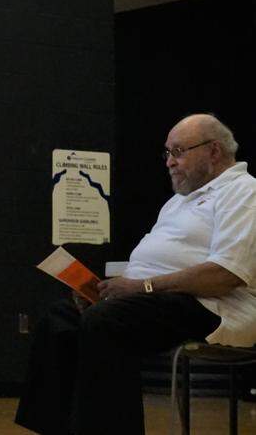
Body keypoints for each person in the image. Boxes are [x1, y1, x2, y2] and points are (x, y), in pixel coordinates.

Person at [15, 113, 256, 435]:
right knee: (60, 318)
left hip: (213, 305)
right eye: (167, 153)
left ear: (214, 151)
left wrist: (141, 287)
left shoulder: (243, 191)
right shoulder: (176, 203)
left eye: (179, 151)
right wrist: (101, 289)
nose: (170, 162)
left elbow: (226, 274)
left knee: (107, 320)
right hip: (158, 300)